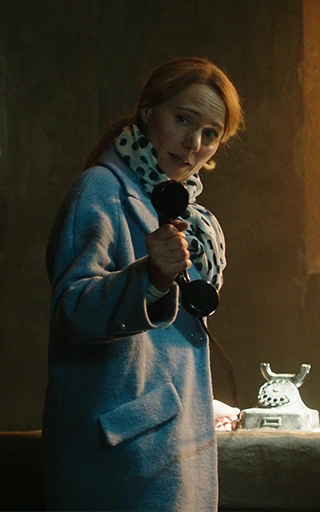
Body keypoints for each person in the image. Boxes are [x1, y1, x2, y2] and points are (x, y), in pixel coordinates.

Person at [41, 57, 244, 511]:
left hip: (175, 445)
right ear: (149, 110)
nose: (194, 144)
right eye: (183, 120)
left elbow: (163, 352)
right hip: (123, 460)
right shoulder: (100, 190)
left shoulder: (194, 220)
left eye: (211, 134)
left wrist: (197, 402)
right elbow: (71, 310)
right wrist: (147, 279)